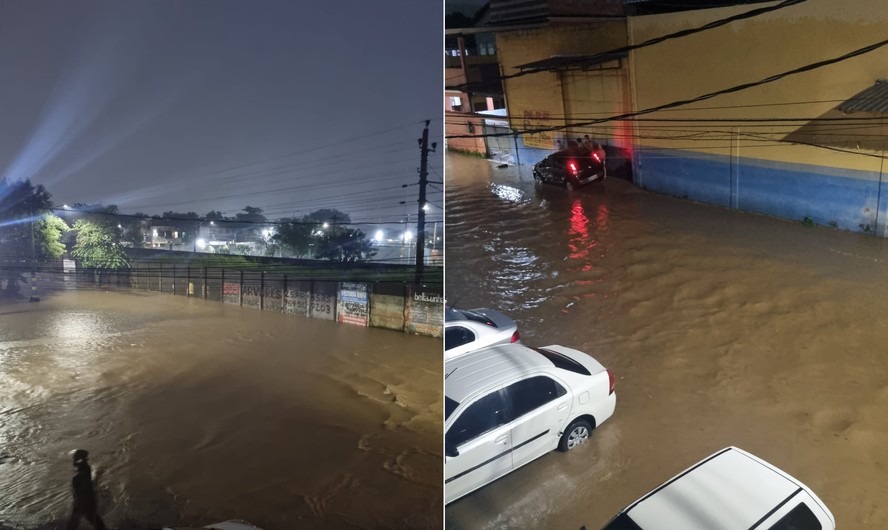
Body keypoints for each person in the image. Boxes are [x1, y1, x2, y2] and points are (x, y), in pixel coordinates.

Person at [66, 449, 108, 530]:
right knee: (97, 523)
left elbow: (85, 489)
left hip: (83, 503)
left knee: (74, 524)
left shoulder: (82, 473)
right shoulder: (86, 471)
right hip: (86, 502)